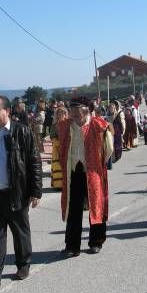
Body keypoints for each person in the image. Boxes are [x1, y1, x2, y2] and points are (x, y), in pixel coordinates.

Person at [0, 95, 42, 290]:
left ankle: (23, 264)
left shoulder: (22, 132)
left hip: (16, 192)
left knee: (20, 232)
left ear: (7, 111)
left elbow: (34, 161)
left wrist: (36, 190)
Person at [57, 97, 113, 256]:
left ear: (86, 110)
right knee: (73, 208)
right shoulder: (66, 126)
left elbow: (108, 148)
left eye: (77, 111)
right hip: (73, 171)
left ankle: (96, 242)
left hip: (92, 171)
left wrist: (97, 163)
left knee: (96, 204)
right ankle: (72, 246)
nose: (73, 114)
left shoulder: (98, 124)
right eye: (72, 110)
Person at [49, 106, 68, 190]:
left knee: (67, 165)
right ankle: (58, 185)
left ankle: (66, 184)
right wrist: (58, 143)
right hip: (57, 148)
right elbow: (52, 137)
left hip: (66, 147)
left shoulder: (69, 125)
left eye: (62, 113)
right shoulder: (54, 126)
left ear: (65, 114)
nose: (61, 115)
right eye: (59, 114)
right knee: (57, 165)